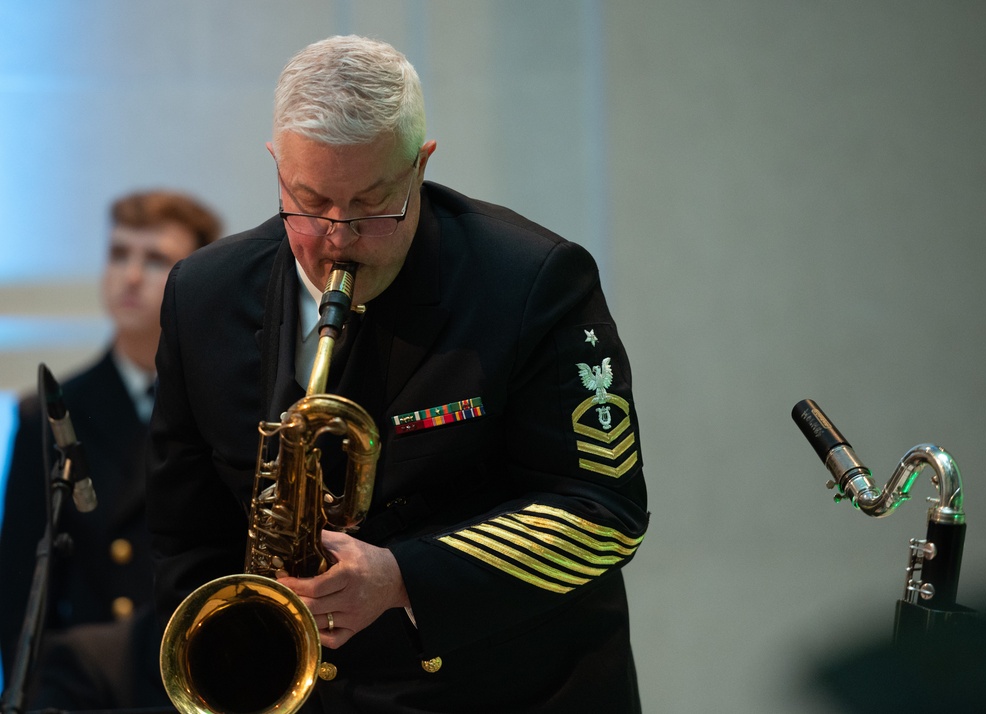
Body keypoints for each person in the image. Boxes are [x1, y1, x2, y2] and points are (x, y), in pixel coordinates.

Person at [148, 34, 648, 714]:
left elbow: (604, 512)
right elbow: (182, 528)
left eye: (373, 203)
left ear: (420, 164)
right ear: (277, 165)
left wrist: (402, 576)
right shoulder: (201, 293)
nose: (338, 237)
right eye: (310, 200)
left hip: (508, 691)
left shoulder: (532, 280)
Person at [0, 190, 221, 704]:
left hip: (197, 679)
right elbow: (21, 595)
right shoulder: (53, 413)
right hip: (91, 685)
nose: (132, 275)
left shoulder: (226, 405)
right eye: (119, 254)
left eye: (157, 259)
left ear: (197, 281)